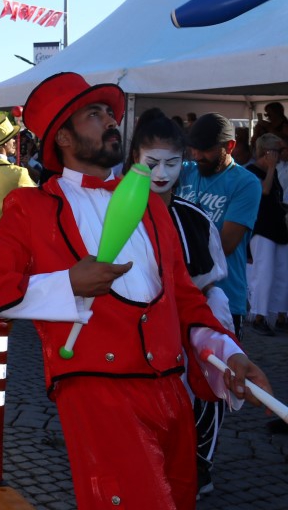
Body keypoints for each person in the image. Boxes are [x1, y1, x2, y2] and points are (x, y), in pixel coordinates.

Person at [0, 72, 271, 510]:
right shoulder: (31, 209)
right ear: (63, 137)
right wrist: (67, 284)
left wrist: (226, 351)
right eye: (94, 114)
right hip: (97, 391)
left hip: (171, 391)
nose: (110, 121)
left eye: (110, 113)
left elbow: (184, 299)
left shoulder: (149, 206)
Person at [125, 107, 232, 499]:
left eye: (173, 162)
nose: (162, 173)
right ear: (134, 157)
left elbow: (206, 285)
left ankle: (199, 461)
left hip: (187, 330)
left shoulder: (194, 219)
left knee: (205, 393)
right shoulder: (108, 214)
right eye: (152, 163)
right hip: (132, 336)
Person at [176, 113, 261, 333]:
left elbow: (226, 244)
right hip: (181, 295)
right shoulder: (185, 171)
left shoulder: (246, 182)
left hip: (224, 296)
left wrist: (173, 246)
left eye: (205, 149)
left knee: (223, 365)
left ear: (230, 146)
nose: (197, 155)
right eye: (193, 148)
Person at [244, 133, 288, 336]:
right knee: (264, 273)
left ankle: (279, 315)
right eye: (277, 151)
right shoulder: (251, 171)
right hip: (261, 229)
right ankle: (258, 315)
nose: (280, 155)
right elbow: (264, 191)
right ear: (267, 152)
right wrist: (271, 168)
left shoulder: (274, 172)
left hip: (277, 228)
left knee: (281, 274)